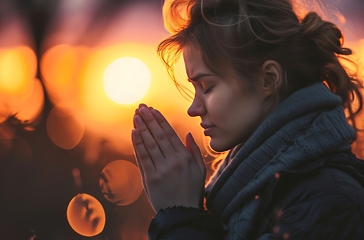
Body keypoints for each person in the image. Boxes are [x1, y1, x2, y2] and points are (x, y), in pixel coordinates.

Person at [131, 0, 364, 239]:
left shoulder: (327, 202)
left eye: (207, 87)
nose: (193, 108)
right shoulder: (257, 190)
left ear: (268, 80)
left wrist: (181, 218)